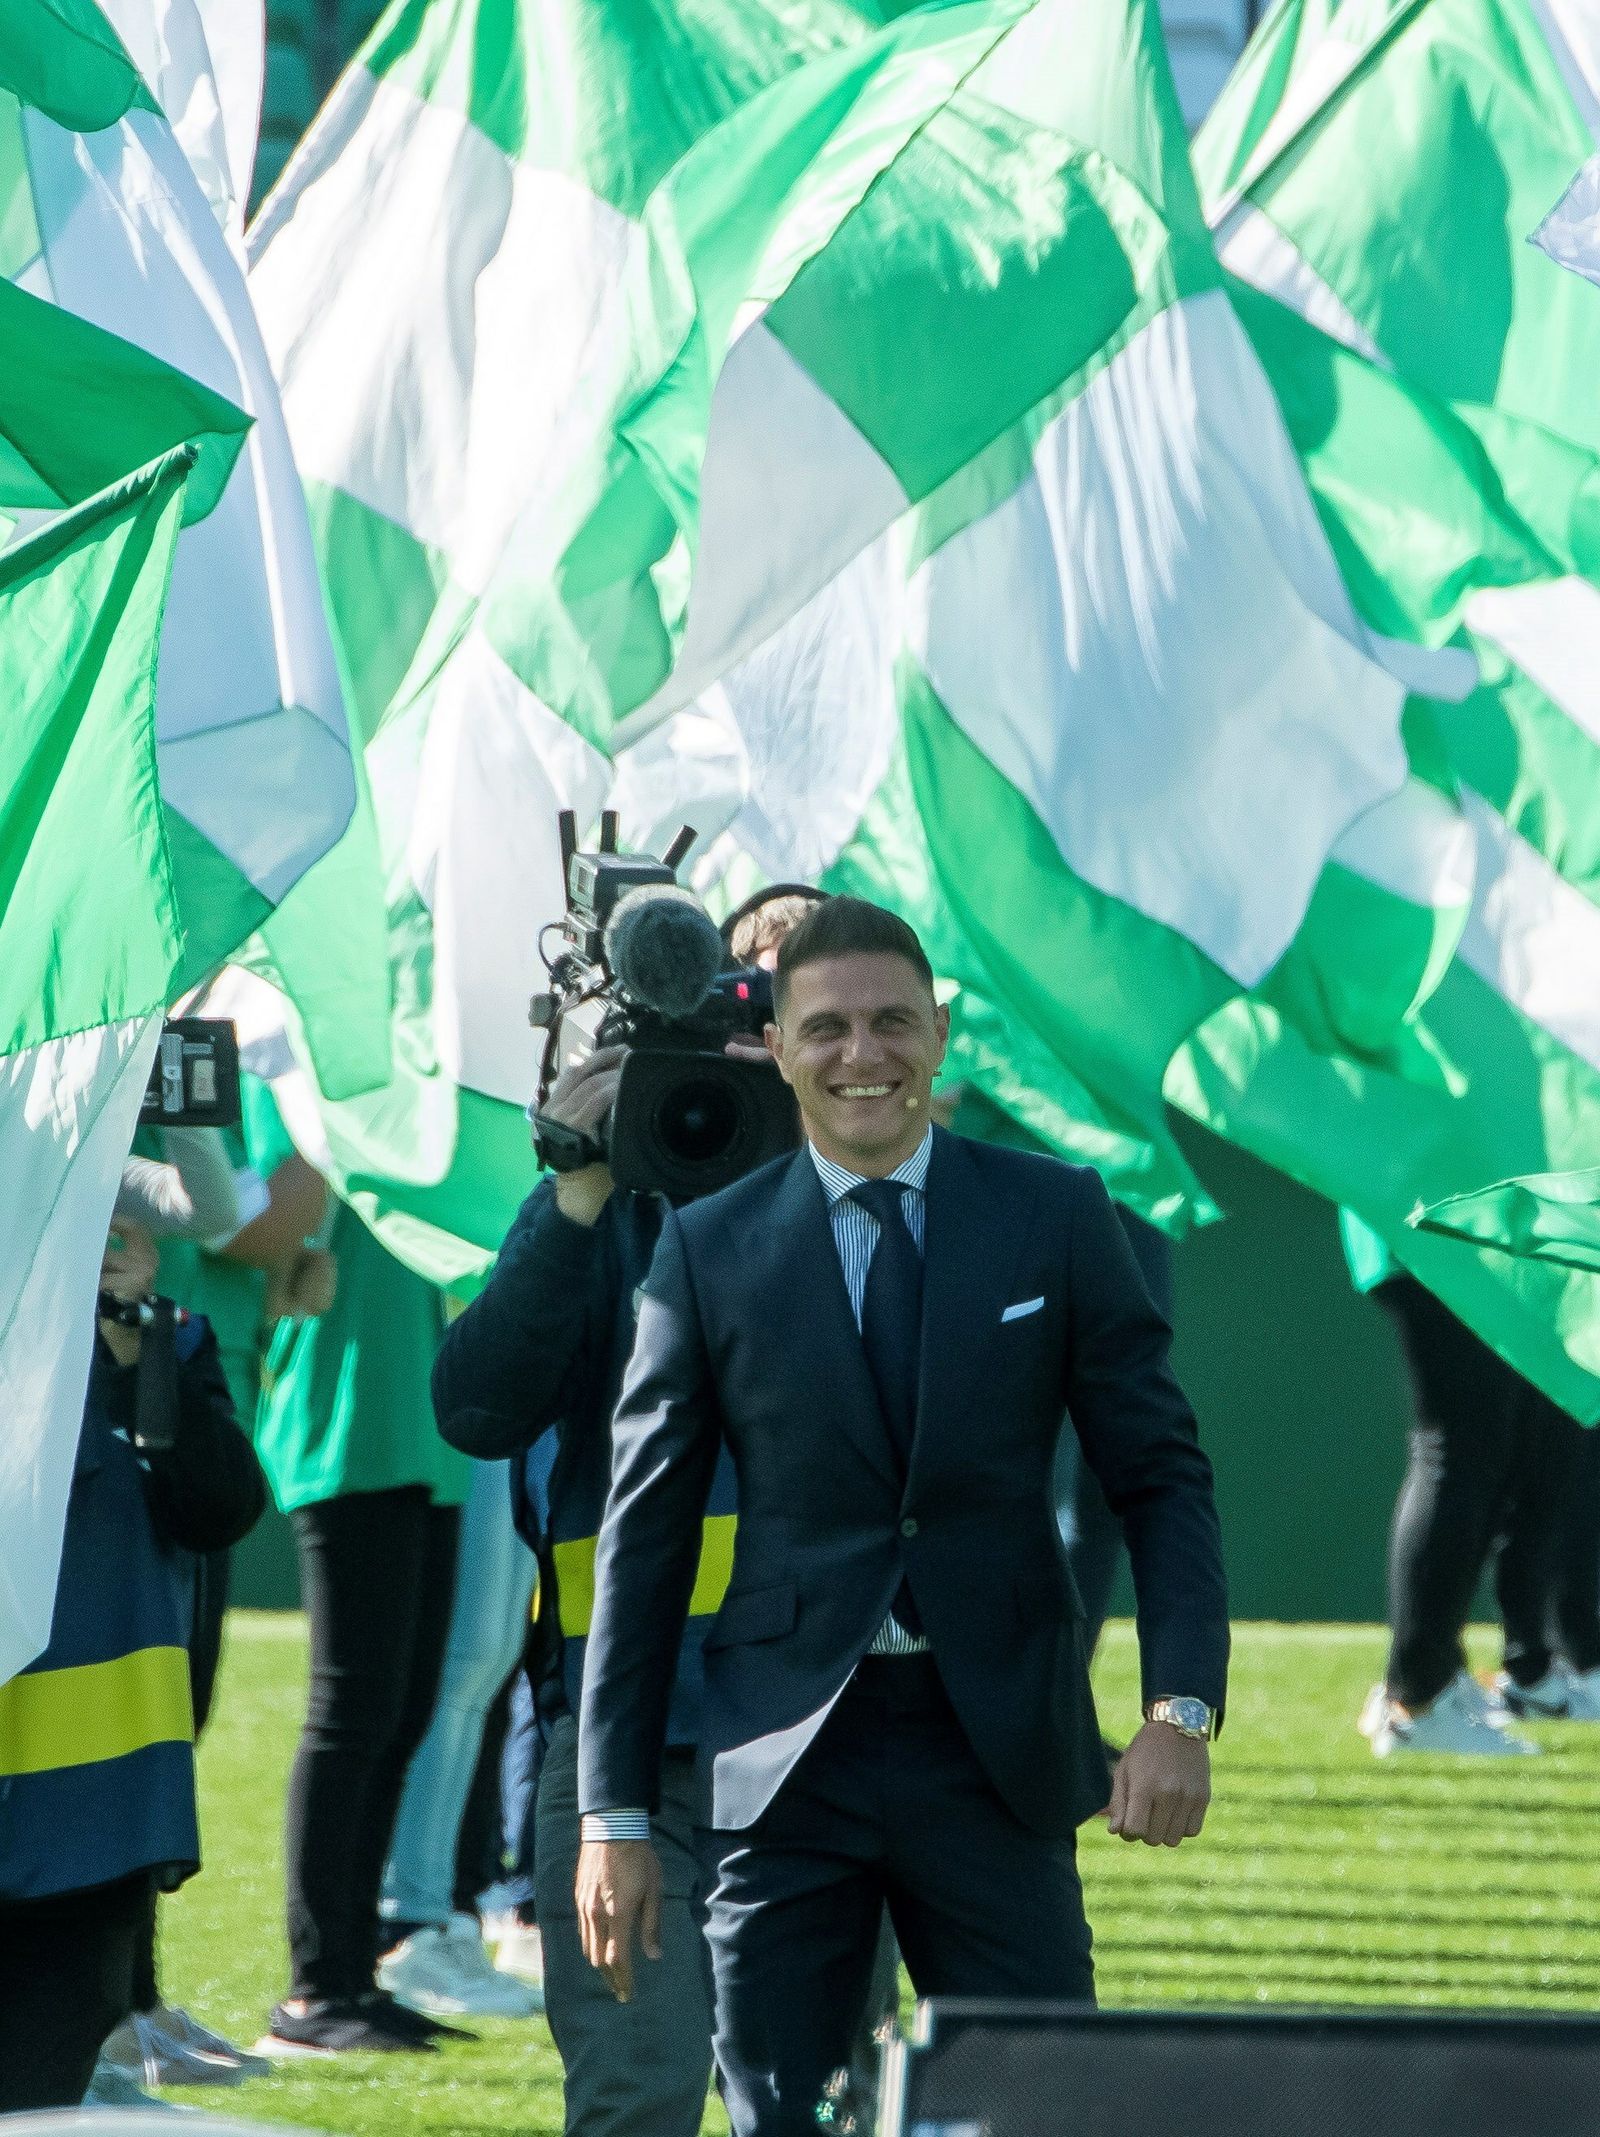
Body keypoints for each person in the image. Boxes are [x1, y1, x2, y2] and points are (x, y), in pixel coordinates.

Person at [574, 896, 1230, 2137]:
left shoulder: (1056, 1214)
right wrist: (612, 1816)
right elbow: (642, 1544)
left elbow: (1160, 1476)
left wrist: (1179, 1708)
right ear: (774, 1044)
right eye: (824, 1027)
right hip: (783, 1766)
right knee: (784, 2115)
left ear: (943, 1031)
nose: (859, 1054)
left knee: (1044, 2109)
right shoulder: (708, 1250)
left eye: (890, 1022)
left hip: (996, 1754)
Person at [434, 887, 843, 2137]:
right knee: (632, 2097)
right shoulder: (603, 1210)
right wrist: (577, 1185)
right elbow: (478, 1406)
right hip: (626, 1746)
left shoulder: (877, 1207)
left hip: (829, 1749)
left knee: (817, 2106)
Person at [0, 1218, 266, 2113]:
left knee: (41, 2089)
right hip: (74, 1812)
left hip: (89, 1819)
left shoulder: (157, 1331)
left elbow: (219, 1505)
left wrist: (130, 1343)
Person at [253, 1200, 474, 2056]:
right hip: (345, 1428)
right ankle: (315, 1990)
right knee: (349, 1715)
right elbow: (273, 1219)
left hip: (425, 1436)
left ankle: (355, 1974)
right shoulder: (300, 1088)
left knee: (401, 1713)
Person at [1346, 1214, 1600, 1755]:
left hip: (1471, 1228)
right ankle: (1416, 1702)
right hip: (1436, 1220)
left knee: (1500, 1453)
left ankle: (1442, 1684)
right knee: (1459, 1451)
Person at [375, 1444, 542, 2019]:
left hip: (529, 1415)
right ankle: (408, 1919)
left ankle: (443, 1913)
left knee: (490, 1662)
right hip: (457, 1414)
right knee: (462, 1663)